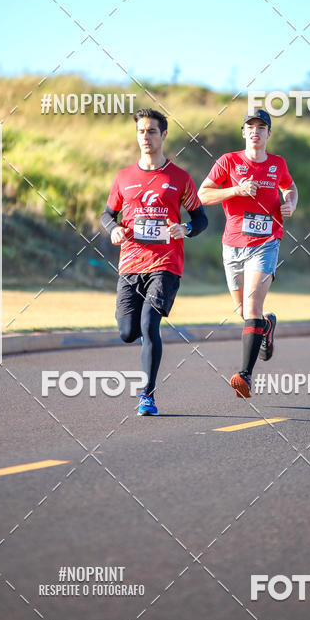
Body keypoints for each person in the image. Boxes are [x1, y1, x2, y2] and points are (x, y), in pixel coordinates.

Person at [101, 108, 208, 415]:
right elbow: (107, 214)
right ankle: (143, 373)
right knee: (127, 332)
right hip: (130, 266)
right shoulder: (124, 177)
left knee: (150, 325)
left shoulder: (180, 178)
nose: (145, 137)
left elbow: (200, 219)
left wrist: (184, 228)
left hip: (166, 265)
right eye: (141, 131)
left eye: (151, 131)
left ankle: (147, 395)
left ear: (163, 135)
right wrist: (114, 229)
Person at [198, 109, 298, 398]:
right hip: (233, 245)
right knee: (245, 312)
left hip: (266, 242)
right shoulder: (228, 161)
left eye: (261, 127)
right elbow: (204, 194)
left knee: (251, 308)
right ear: (243, 132)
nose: (255, 131)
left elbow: (290, 188)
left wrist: (290, 202)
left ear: (269, 134)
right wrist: (235, 191)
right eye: (250, 126)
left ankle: (245, 375)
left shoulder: (277, 163)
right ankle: (266, 326)